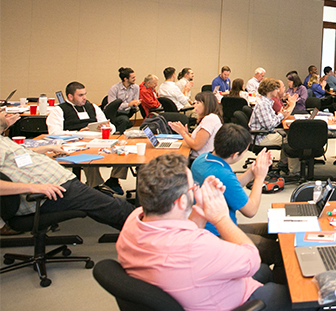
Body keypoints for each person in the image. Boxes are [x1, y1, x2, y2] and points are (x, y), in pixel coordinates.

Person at [116, 154, 292, 311]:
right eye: (193, 187)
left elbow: (188, 232)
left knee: (265, 273)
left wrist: (201, 207)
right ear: (181, 202)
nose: (196, 189)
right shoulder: (195, 247)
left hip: (189, 285)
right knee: (295, 294)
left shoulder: (135, 219)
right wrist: (221, 218)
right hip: (229, 301)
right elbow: (251, 260)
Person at [1, 111, 134, 230]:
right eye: (2, 112)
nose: (8, 115)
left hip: (58, 184)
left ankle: (140, 233)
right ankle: (147, 234)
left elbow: (16, 156)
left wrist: (45, 148)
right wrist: (32, 188)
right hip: (45, 194)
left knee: (108, 206)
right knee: (115, 207)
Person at [190, 125, 283, 269]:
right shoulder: (223, 173)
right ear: (235, 155)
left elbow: (232, 186)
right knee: (280, 251)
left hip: (207, 228)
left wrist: (253, 171)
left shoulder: (203, 160)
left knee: (274, 228)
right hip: (218, 235)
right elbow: (250, 210)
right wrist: (259, 178)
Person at [46, 82, 127, 191]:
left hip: (98, 140)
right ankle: (95, 186)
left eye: (85, 94)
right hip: (75, 143)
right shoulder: (59, 110)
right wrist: (77, 133)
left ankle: (114, 179)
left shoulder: (92, 106)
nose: (85, 98)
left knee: (125, 149)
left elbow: (111, 126)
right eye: (80, 95)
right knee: (89, 157)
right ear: (70, 97)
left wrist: (108, 127)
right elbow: (54, 133)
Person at [249, 78, 300, 176]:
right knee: (292, 139)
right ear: (270, 90)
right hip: (261, 137)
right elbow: (269, 124)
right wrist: (281, 115)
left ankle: (283, 164)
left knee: (288, 135)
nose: (278, 91)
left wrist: (281, 114)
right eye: (276, 89)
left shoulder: (267, 102)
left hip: (263, 133)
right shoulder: (263, 104)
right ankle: (294, 171)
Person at [168, 92, 223, 159]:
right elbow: (199, 138)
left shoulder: (210, 119)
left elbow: (196, 146)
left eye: (197, 103)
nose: (195, 106)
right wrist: (186, 133)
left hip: (200, 159)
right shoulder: (210, 117)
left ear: (206, 104)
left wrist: (182, 133)